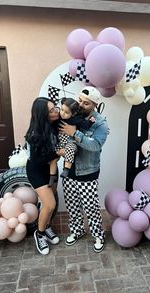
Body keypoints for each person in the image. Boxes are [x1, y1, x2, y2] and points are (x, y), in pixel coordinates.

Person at [58, 86, 109, 253]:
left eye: (86, 103)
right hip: (69, 169)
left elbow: (95, 145)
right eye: (80, 100)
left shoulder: (100, 122)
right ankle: (77, 230)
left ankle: (98, 234)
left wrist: (75, 134)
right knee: (72, 204)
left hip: (87, 171)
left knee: (90, 206)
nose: (80, 104)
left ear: (94, 104)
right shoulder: (73, 113)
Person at [25, 96, 60, 255]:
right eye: (51, 111)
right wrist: (57, 153)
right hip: (37, 171)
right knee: (50, 204)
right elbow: (36, 160)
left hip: (52, 170)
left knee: (53, 199)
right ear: (42, 115)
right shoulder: (34, 134)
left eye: (55, 108)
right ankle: (39, 234)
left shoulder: (54, 125)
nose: (56, 111)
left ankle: (46, 227)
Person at [50, 97, 95, 179]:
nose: (62, 113)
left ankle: (66, 169)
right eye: (62, 110)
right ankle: (52, 176)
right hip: (59, 142)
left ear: (73, 114)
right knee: (54, 157)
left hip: (70, 142)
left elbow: (84, 124)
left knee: (70, 149)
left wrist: (90, 122)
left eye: (66, 112)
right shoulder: (59, 118)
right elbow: (52, 126)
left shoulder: (75, 120)